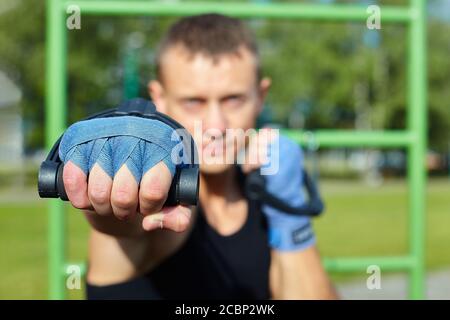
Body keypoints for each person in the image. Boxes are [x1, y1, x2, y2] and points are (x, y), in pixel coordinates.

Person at [62, 13, 338, 299]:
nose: (216, 126)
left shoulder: (266, 194)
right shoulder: (163, 202)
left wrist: (289, 211)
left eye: (233, 99)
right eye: (194, 102)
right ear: (160, 99)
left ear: (261, 96)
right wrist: (125, 169)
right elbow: (121, 222)